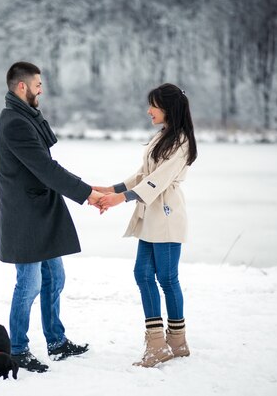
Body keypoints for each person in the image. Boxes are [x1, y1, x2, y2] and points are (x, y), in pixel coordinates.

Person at [0, 61, 104, 373]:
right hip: (25, 218)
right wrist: (87, 193)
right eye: (38, 84)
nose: (42, 89)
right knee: (28, 285)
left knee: (55, 278)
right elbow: (46, 168)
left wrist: (87, 188)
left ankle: (56, 342)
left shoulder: (24, 116)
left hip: (40, 212)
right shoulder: (14, 123)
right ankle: (16, 349)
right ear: (22, 87)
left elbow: (46, 166)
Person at [95, 83, 197, 367]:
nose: (149, 110)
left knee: (166, 278)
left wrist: (120, 199)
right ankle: (157, 343)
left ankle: (176, 341)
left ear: (168, 108)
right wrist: (111, 189)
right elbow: (143, 174)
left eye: (153, 105)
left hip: (165, 214)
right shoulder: (163, 136)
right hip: (149, 214)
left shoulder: (183, 141)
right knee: (142, 273)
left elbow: (158, 180)